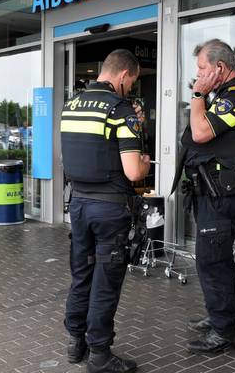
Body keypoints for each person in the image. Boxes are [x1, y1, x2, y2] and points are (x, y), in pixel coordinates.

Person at [61, 49, 150, 373]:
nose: (131, 88)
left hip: (80, 207)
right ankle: (100, 354)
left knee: (81, 274)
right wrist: (144, 161)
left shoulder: (71, 106)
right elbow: (133, 172)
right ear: (124, 75)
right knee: (105, 281)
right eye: (133, 82)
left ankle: (76, 342)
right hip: (110, 210)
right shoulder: (120, 109)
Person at [177, 39, 235, 354]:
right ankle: (219, 318)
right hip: (213, 191)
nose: (198, 76)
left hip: (222, 193)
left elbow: (200, 133)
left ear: (220, 67)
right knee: (214, 260)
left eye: (202, 68)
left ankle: (224, 331)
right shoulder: (226, 95)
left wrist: (198, 93)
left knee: (213, 261)